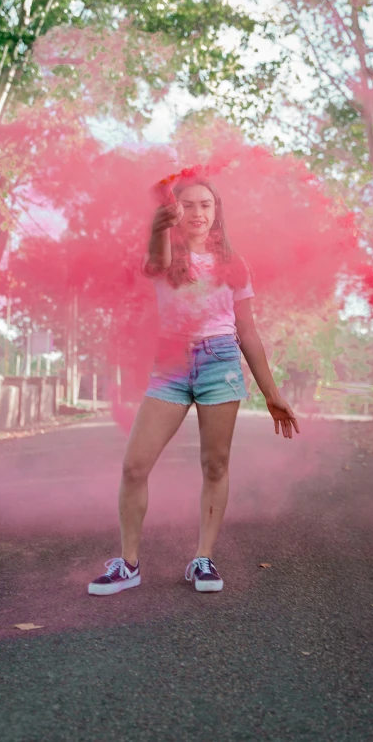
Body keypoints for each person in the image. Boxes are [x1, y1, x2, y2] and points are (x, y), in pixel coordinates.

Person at [88, 177, 299, 596]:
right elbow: (156, 262)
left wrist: (271, 393)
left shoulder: (235, 264)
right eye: (188, 205)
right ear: (175, 211)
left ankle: (202, 558)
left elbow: (249, 332)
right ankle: (128, 564)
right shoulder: (164, 252)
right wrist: (157, 227)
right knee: (134, 467)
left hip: (220, 362)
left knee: (215, 466)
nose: (198, 213)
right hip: (171, 364)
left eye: (206, 204)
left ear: (217, 211)